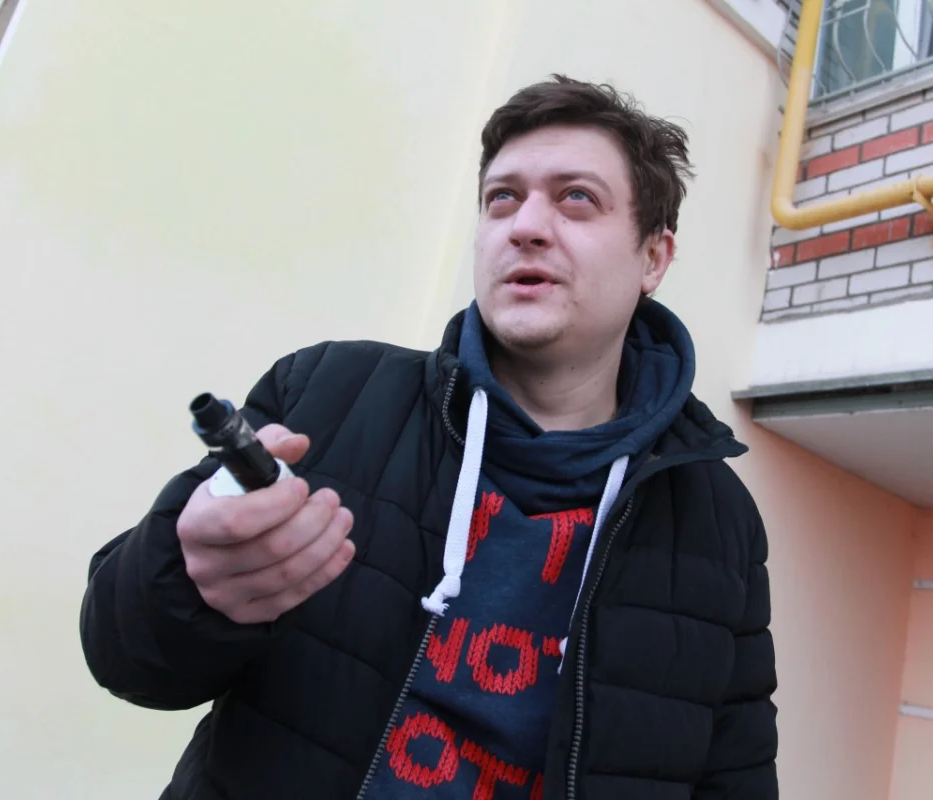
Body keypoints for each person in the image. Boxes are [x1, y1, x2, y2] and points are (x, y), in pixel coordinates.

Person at [80, 74, 778, 800]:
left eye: (576, 198)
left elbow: (736, 779)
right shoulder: (326, 394)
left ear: (653, 258)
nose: (525, 226)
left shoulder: (718, 519)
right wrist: (187, 582)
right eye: (502, 198)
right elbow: (127, 658)